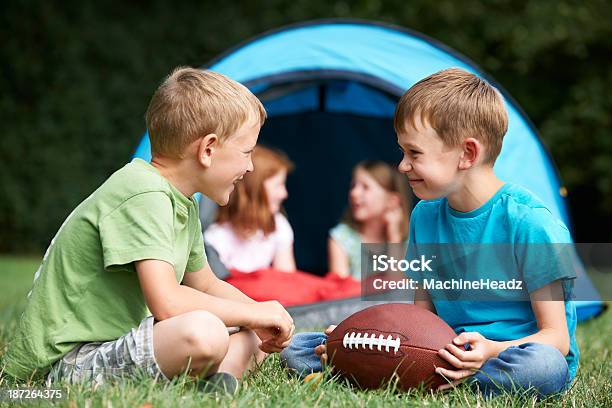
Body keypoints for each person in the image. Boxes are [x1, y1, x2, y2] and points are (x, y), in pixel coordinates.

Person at [282, 68, 578, 399]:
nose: (402, 166)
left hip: (513, 354)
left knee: (543, 367)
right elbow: (418, 318)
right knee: (300, 348)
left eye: (414, 153)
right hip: (441, 350)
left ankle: (452, 376)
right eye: (403, 152)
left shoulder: (530, 223)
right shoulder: (424, 215)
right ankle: (414, 371)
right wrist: (355, 340)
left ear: (467, 154)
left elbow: (556, 337)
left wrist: (490, 351)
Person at [2, 67, 294, 392]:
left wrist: (260, 313)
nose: (250, 166)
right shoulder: (144, 193)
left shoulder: (182, 202)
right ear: (208, 149)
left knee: (249, 331)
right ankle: (216, 376)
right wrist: (252, 315)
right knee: (204, 332)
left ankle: (216, 385)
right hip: (63, 366)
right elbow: (167, 302)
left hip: (115, 346)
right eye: (246, 152)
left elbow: (207, 285)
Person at [205, 146, 296, 273]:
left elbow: (287, 279)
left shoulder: (278, 226)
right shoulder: (216, 237)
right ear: (254, 190)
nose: (284, 194)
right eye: (278, 185)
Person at [328, 160, 411, 279]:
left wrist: (394, 237)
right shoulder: (341, 238)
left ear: (392, 201)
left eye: (365, 187)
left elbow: (398, 287)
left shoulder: (408, 241)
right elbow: (340, 291)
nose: (354, 193)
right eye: (353, 186)